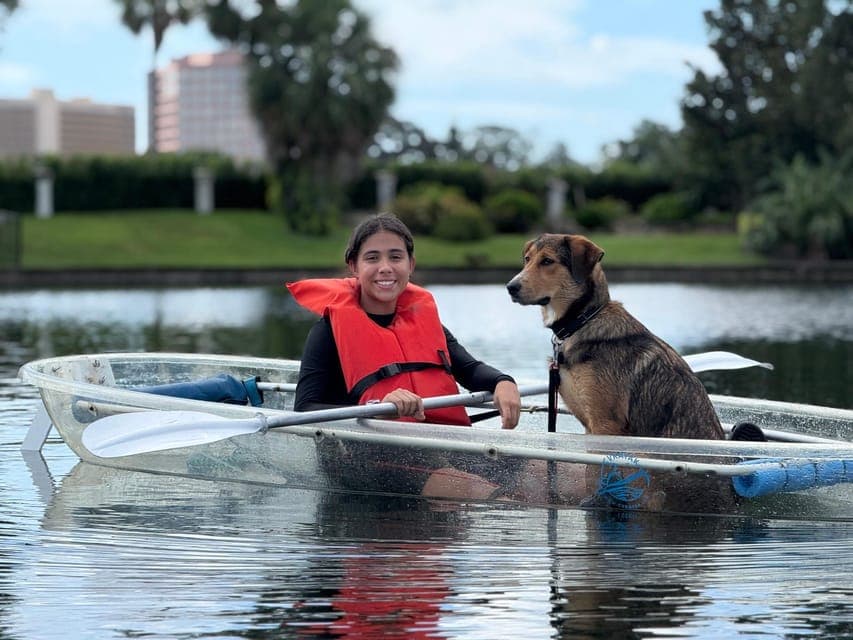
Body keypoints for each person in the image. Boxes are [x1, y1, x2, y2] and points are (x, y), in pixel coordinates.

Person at [287, 212, 522, 498]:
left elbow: (470, 369)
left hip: (436, 446)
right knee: (494, 497)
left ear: (410, 264)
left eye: (395, 257)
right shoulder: (327, 333)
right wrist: (377, 407)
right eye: (372, 258)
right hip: (366, 459)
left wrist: (503, 381)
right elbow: (304, 411)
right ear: (354, 266)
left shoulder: (426, 322)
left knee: (538, 475)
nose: (385, 268)